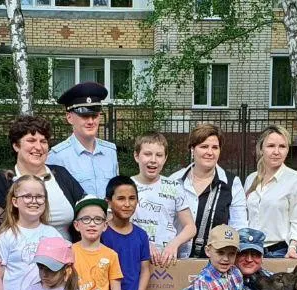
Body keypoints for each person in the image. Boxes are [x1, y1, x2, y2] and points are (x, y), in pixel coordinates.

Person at [0, 115, 87, 243]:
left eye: (43, 141)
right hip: (19, 257)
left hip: (65, 256)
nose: (38, 147)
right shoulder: (4, 180)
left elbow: (85, 208)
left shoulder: (60, 174)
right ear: (16, 146)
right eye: (31, 140)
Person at [0, 175, 67, 290]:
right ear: (15, 201)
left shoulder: (52, 235)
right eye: (27, 196)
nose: (34, 201)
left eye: (39, 196)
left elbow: (62, 274)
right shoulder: (6, 236)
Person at [170, 124, 246, 258]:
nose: (210, 152)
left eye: (215, 147)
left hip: (216, 264)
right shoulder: (174, 181)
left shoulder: (231, 183)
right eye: (204, 146)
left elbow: (239, 227)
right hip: (176, 261)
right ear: (192, 149)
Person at [130, 132, 195, 267]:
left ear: (165, 158)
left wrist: (174, 244)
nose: (153, 160)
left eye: (159, 155)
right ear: (136, 156)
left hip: (166, 262)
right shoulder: (126, 186)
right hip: (133, 259)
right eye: (147, 154)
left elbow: (190, 227)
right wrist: (144, 243)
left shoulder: (174, 186)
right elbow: (114, 223)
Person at [243, 125, 297, 258]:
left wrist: (293, 248)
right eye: (271, 146)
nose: (276, 151)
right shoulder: (251, 179)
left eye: (282, 147)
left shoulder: (295, 179)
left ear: (287, 150)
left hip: (279, 252)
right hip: (250, 251)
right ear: (261, 149)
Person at [48, 81, 119, 199]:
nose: (91, 121)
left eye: (94, 116)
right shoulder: (57, 157)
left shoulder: (110, 151)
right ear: (69, 117)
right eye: (84, 116)